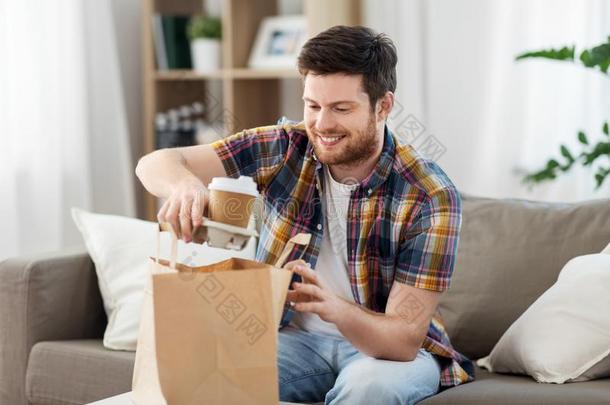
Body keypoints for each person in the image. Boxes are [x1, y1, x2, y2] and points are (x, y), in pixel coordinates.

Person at [136, 25, 474, 405]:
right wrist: (184, 184)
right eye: (312, 106)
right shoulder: (287, 148)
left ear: (383, 106)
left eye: (341, 109)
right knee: (204, 373)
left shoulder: (429, 194)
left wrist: (335, 310)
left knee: (368, 390)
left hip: (383, 355)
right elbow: (156, 163)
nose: (322, 124)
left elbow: (402, 339)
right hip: (294, 341)